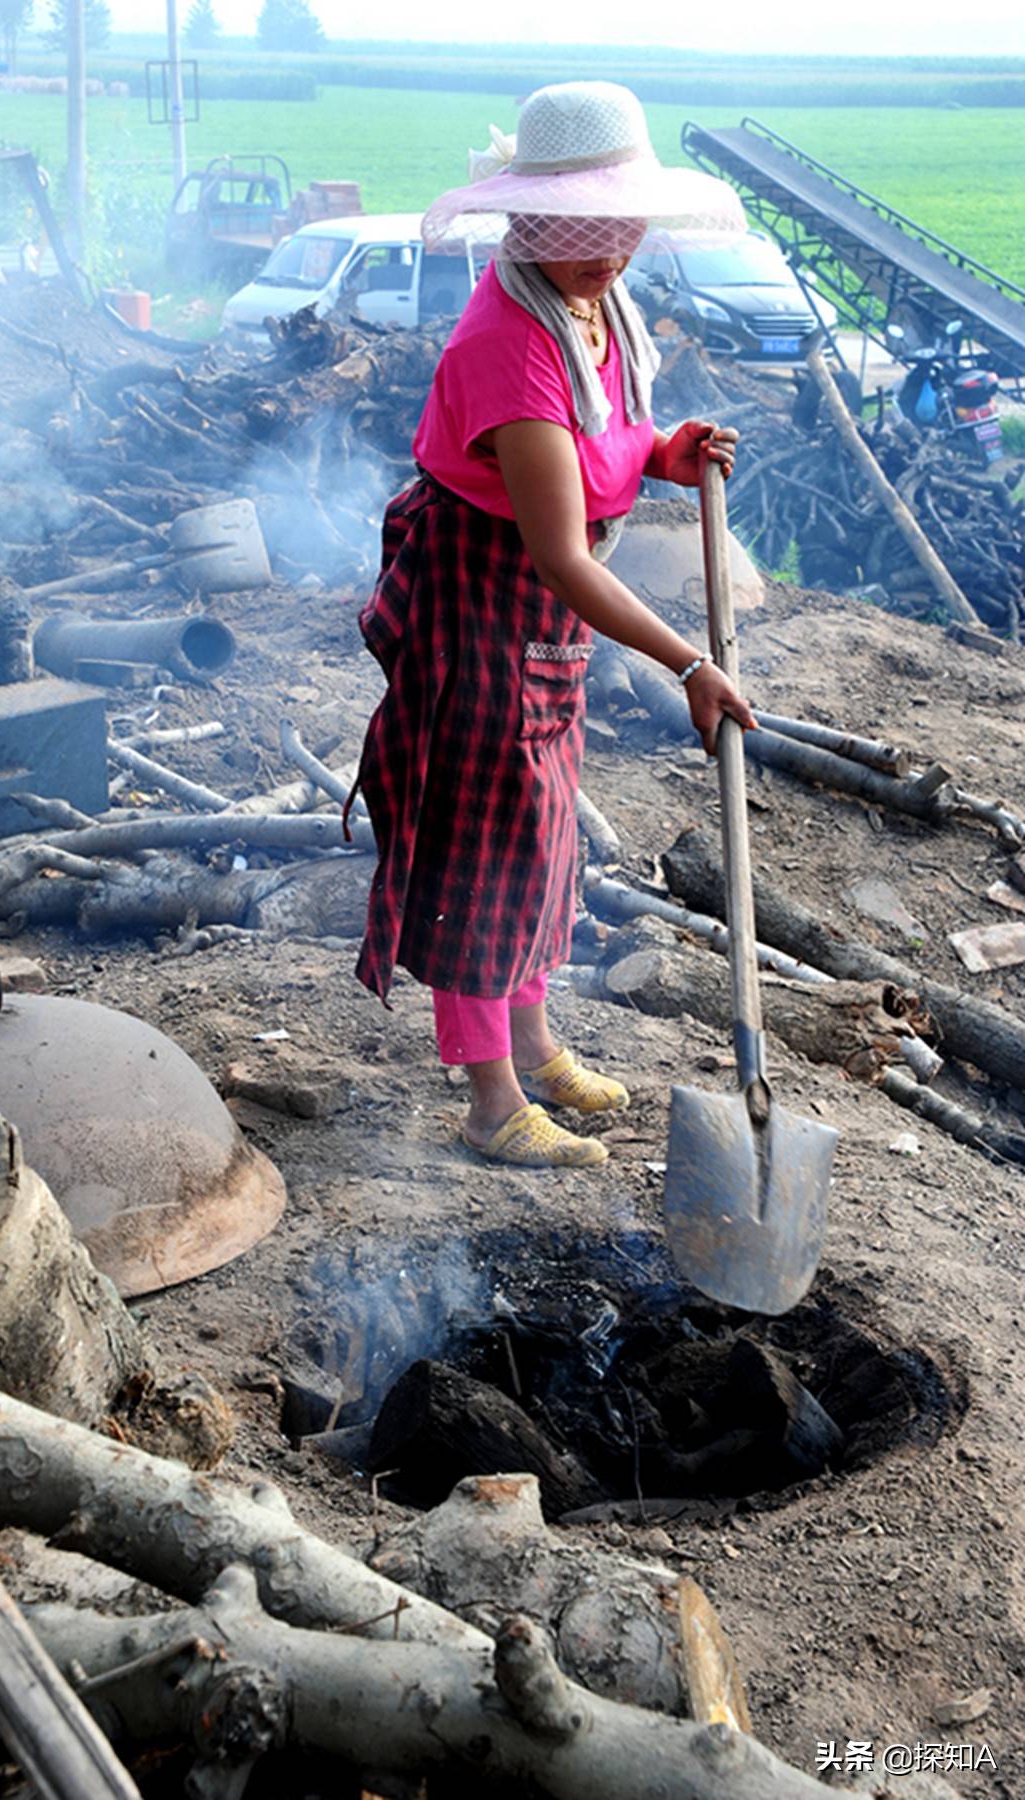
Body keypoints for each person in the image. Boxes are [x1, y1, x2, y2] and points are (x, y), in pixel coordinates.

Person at [349, 81, 757, 1170]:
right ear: (525, 218)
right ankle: (489, 1103)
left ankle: (531, 1045)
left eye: (620, 228)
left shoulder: (593, 303)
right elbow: (563, 551)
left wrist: (665, 452)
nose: (607, 252)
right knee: (487, 845)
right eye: (581, 231)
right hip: (479, 602)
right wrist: (690, 663)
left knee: (546, 834)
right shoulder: (508, 345)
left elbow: (602, 445)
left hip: (541, 622)